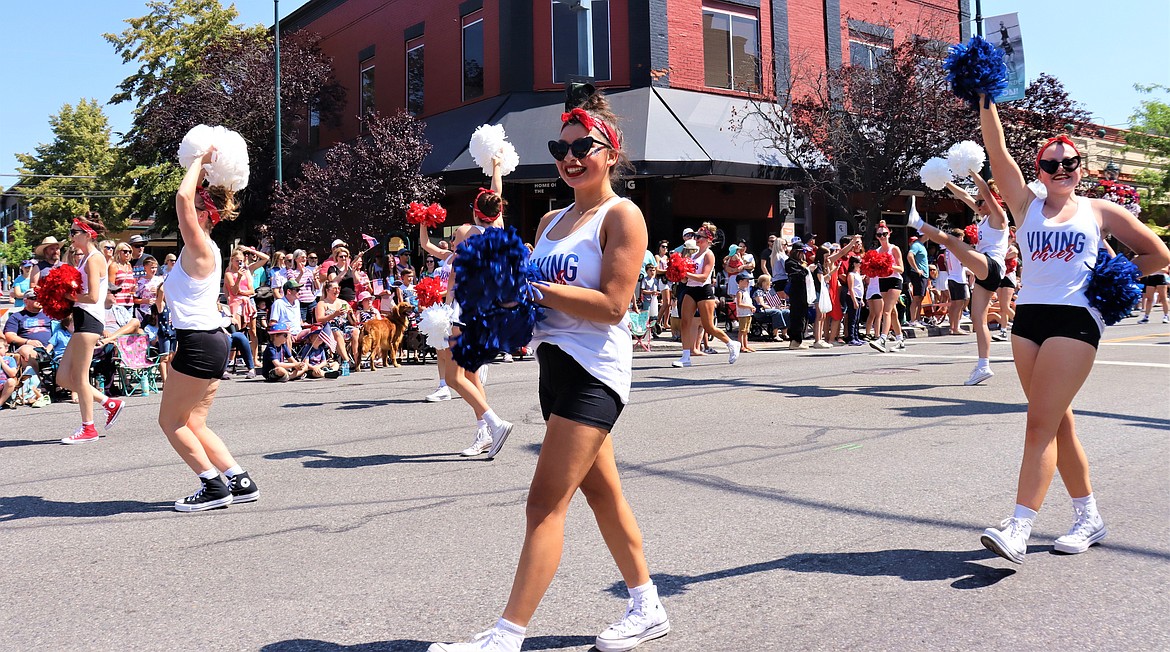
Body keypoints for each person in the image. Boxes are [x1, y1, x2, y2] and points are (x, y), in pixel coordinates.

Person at [431, 88, 668, 652]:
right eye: (559, 148)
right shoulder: (549, 220)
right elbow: (533, 312)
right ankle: (647, 607)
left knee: (543, 503)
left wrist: (531, 287)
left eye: (583, 146)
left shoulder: (622, 215)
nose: (569, 157)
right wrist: (487, 325)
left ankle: (506, 635)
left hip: (595, 372)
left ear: (610, 152)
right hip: (553, 369)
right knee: (604, 496)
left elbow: (614, 305)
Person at [974, 95, 1170, 563]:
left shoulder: (1099, 212)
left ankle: (1020, 525)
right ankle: (1089, 516)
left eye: (1069, 163)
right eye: (1050, 164)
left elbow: (1159, 256)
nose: (1060, 169)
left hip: (1077, 319)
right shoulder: (1025, 205)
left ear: (1081, 167)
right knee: (1058, 423)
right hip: (1029, 321)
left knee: (1038, 424)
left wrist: (1114, 275)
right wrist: (985, 99)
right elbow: (997, 149)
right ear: (1038, 169)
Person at [158, 146, 259, 512]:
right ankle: (239, 479)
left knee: (170, 421)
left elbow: (182, 196)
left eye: (198, 205)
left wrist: (200, 159)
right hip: (212, 339)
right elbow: (190, 196)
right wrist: (202, 170)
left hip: (200, 341)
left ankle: (213, 486)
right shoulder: (210, 247)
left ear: (204, 213)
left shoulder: (200, 244)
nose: (190, 208)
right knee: (194, 422)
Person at [909, 176, 1010, 385]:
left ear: (993, 199)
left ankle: (917, 223)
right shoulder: (983, 214)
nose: (978, 205)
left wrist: (973, 170)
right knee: (977, 319)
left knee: (952, 241)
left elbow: (985, 191)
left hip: (992, 265)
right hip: (987, 272)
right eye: (978, 202)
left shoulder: (999, 216)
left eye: (982, 201)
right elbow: (964, 196)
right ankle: (983, 366)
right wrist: (944, 181)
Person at [57, 214, 126, 443]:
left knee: (80, 377)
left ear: (87, 235)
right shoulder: (85, 259)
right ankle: (109, 402)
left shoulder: (95, 258)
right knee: (63, 377)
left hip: (89, 320)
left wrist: (68, 295)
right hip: (82, 320)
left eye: (74, 232)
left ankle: (88, 428)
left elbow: (94, 296)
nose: (70, 236)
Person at [673, 224, 740, 367]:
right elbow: (687, 278)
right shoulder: (693, 254)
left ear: (708, 240)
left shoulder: (709, 255)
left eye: (699, 237)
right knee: (685, 322)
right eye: (695, 236)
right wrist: (679, 274)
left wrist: (687, 274)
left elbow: (703, 277)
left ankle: (731, 343)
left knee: (709, 326)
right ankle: (686, 356)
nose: (696, 239)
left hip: (704, 290)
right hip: (690, 289)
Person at [867, 221, 906, 352]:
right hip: (882, 281)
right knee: (893, 312)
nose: (882, 237)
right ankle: (900, 340)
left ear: (889, 234)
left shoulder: (894, 249)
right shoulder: (876, 251)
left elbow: (901, 269)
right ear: (876, 237)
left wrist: (888, 266)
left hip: (895, 280)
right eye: (879, 235)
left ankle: (882, 338)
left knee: (886, 310)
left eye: (884, 234)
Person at [4, 290, 53, 371]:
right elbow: (9, 336)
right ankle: (36, 381)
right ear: (25, 301)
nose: (39, 300)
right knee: (28, 351)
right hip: (28, 347)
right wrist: (28, 341)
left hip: (50, 347)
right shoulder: (16, 317)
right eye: (34, 298)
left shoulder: (49, 315)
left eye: (40, 298)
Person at [905, 235, 930, 327]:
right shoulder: (916, 245)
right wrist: (916, 269)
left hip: (924, 275)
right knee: (916, 298)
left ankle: (918, 319)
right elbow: (910, 256)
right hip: (918, 275)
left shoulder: (921, 245)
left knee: (920, 298)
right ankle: (913, 320)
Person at [734, 272, 756, 352]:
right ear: (740, 282)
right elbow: (739, 304)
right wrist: (750, 306)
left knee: (746, 331)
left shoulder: (746, 292)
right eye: (746, 280)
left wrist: (751, 307)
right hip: (742, 314)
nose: (748, 282)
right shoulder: (739, 293)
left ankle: (746, 345)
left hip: (748, 313)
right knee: (742, 330)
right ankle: (741, 346)